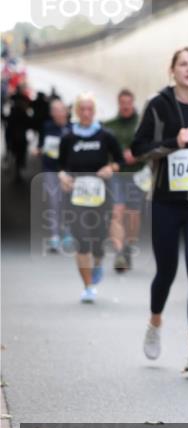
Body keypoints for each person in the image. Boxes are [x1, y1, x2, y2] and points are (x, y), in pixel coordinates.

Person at [131, 47, 188, 373]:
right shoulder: (159, 104)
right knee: (166, 271)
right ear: (173, 70)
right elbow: (138, 148)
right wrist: (174, 142)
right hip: (167, 200)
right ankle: (155, 321)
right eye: (182, 64)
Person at [57, 94, 124, 303]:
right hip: (76, 196)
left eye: (90, 109)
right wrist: (63, 177)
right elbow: (59, 166)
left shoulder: (105, 135)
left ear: (94, 111)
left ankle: (97, 263)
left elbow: (120, 161)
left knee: (98, 240)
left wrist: (110, 167)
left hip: (100, 195)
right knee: (82, 241)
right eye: (82, 109)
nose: (86, 113)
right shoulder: (68, 137)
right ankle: (88, 287)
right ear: (77, 111)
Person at [102, 89, 144, 273]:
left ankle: (127, 246)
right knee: (117, 211)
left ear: (133, 102)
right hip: (117, 175)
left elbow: (154, 146)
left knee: (133, 216)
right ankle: (119, 252)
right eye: (122, 102)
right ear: (118, 104)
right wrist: (111, 163)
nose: (126, 106)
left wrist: (138, 155)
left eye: (129, 102)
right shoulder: (109, 125)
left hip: (138, 175)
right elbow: (102, 150)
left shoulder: (143, 124)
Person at [34, 97, 71, 252]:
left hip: (68, 171)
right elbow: (41, 145)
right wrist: (38, 150)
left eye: (60, 110)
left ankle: (68, 233)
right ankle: (55, 237)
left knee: (68, 203)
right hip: (50, 170)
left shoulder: (72, 128)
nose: (57, 113)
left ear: (66, 112)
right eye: (54, 110)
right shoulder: (47, 126)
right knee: (53, 203)